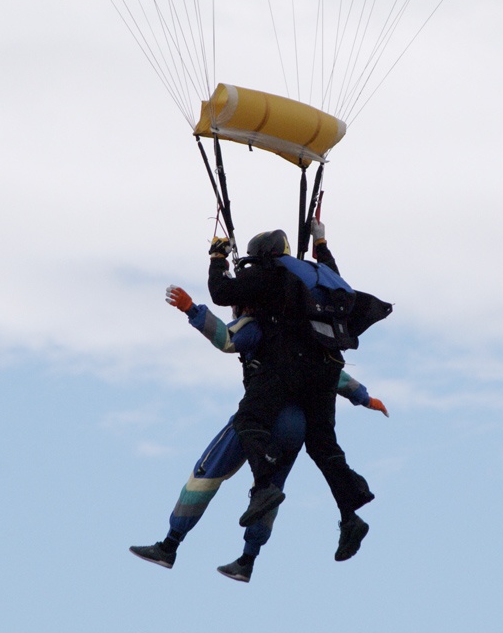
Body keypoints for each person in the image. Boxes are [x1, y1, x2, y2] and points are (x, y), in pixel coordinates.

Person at [129, 286, 387, 582]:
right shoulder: (305, 337)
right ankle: (247, 561)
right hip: (296, 426)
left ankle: (169, 546)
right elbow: (334, 376)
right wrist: (365, 397)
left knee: (207, 472)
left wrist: (192, 310)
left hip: (262, 415)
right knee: (270, 490)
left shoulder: (257, 324)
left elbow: (227, 339)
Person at [207, 222, 382, 561]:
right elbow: (333, 270)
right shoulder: (316, 274)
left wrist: (217, 258)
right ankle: (350, 517)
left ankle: (264, 486)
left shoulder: (268, 273)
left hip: (288, 364)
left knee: (249, 420)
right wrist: (321, 240)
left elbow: (221, 293)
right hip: (328, 367)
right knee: (322, 445)